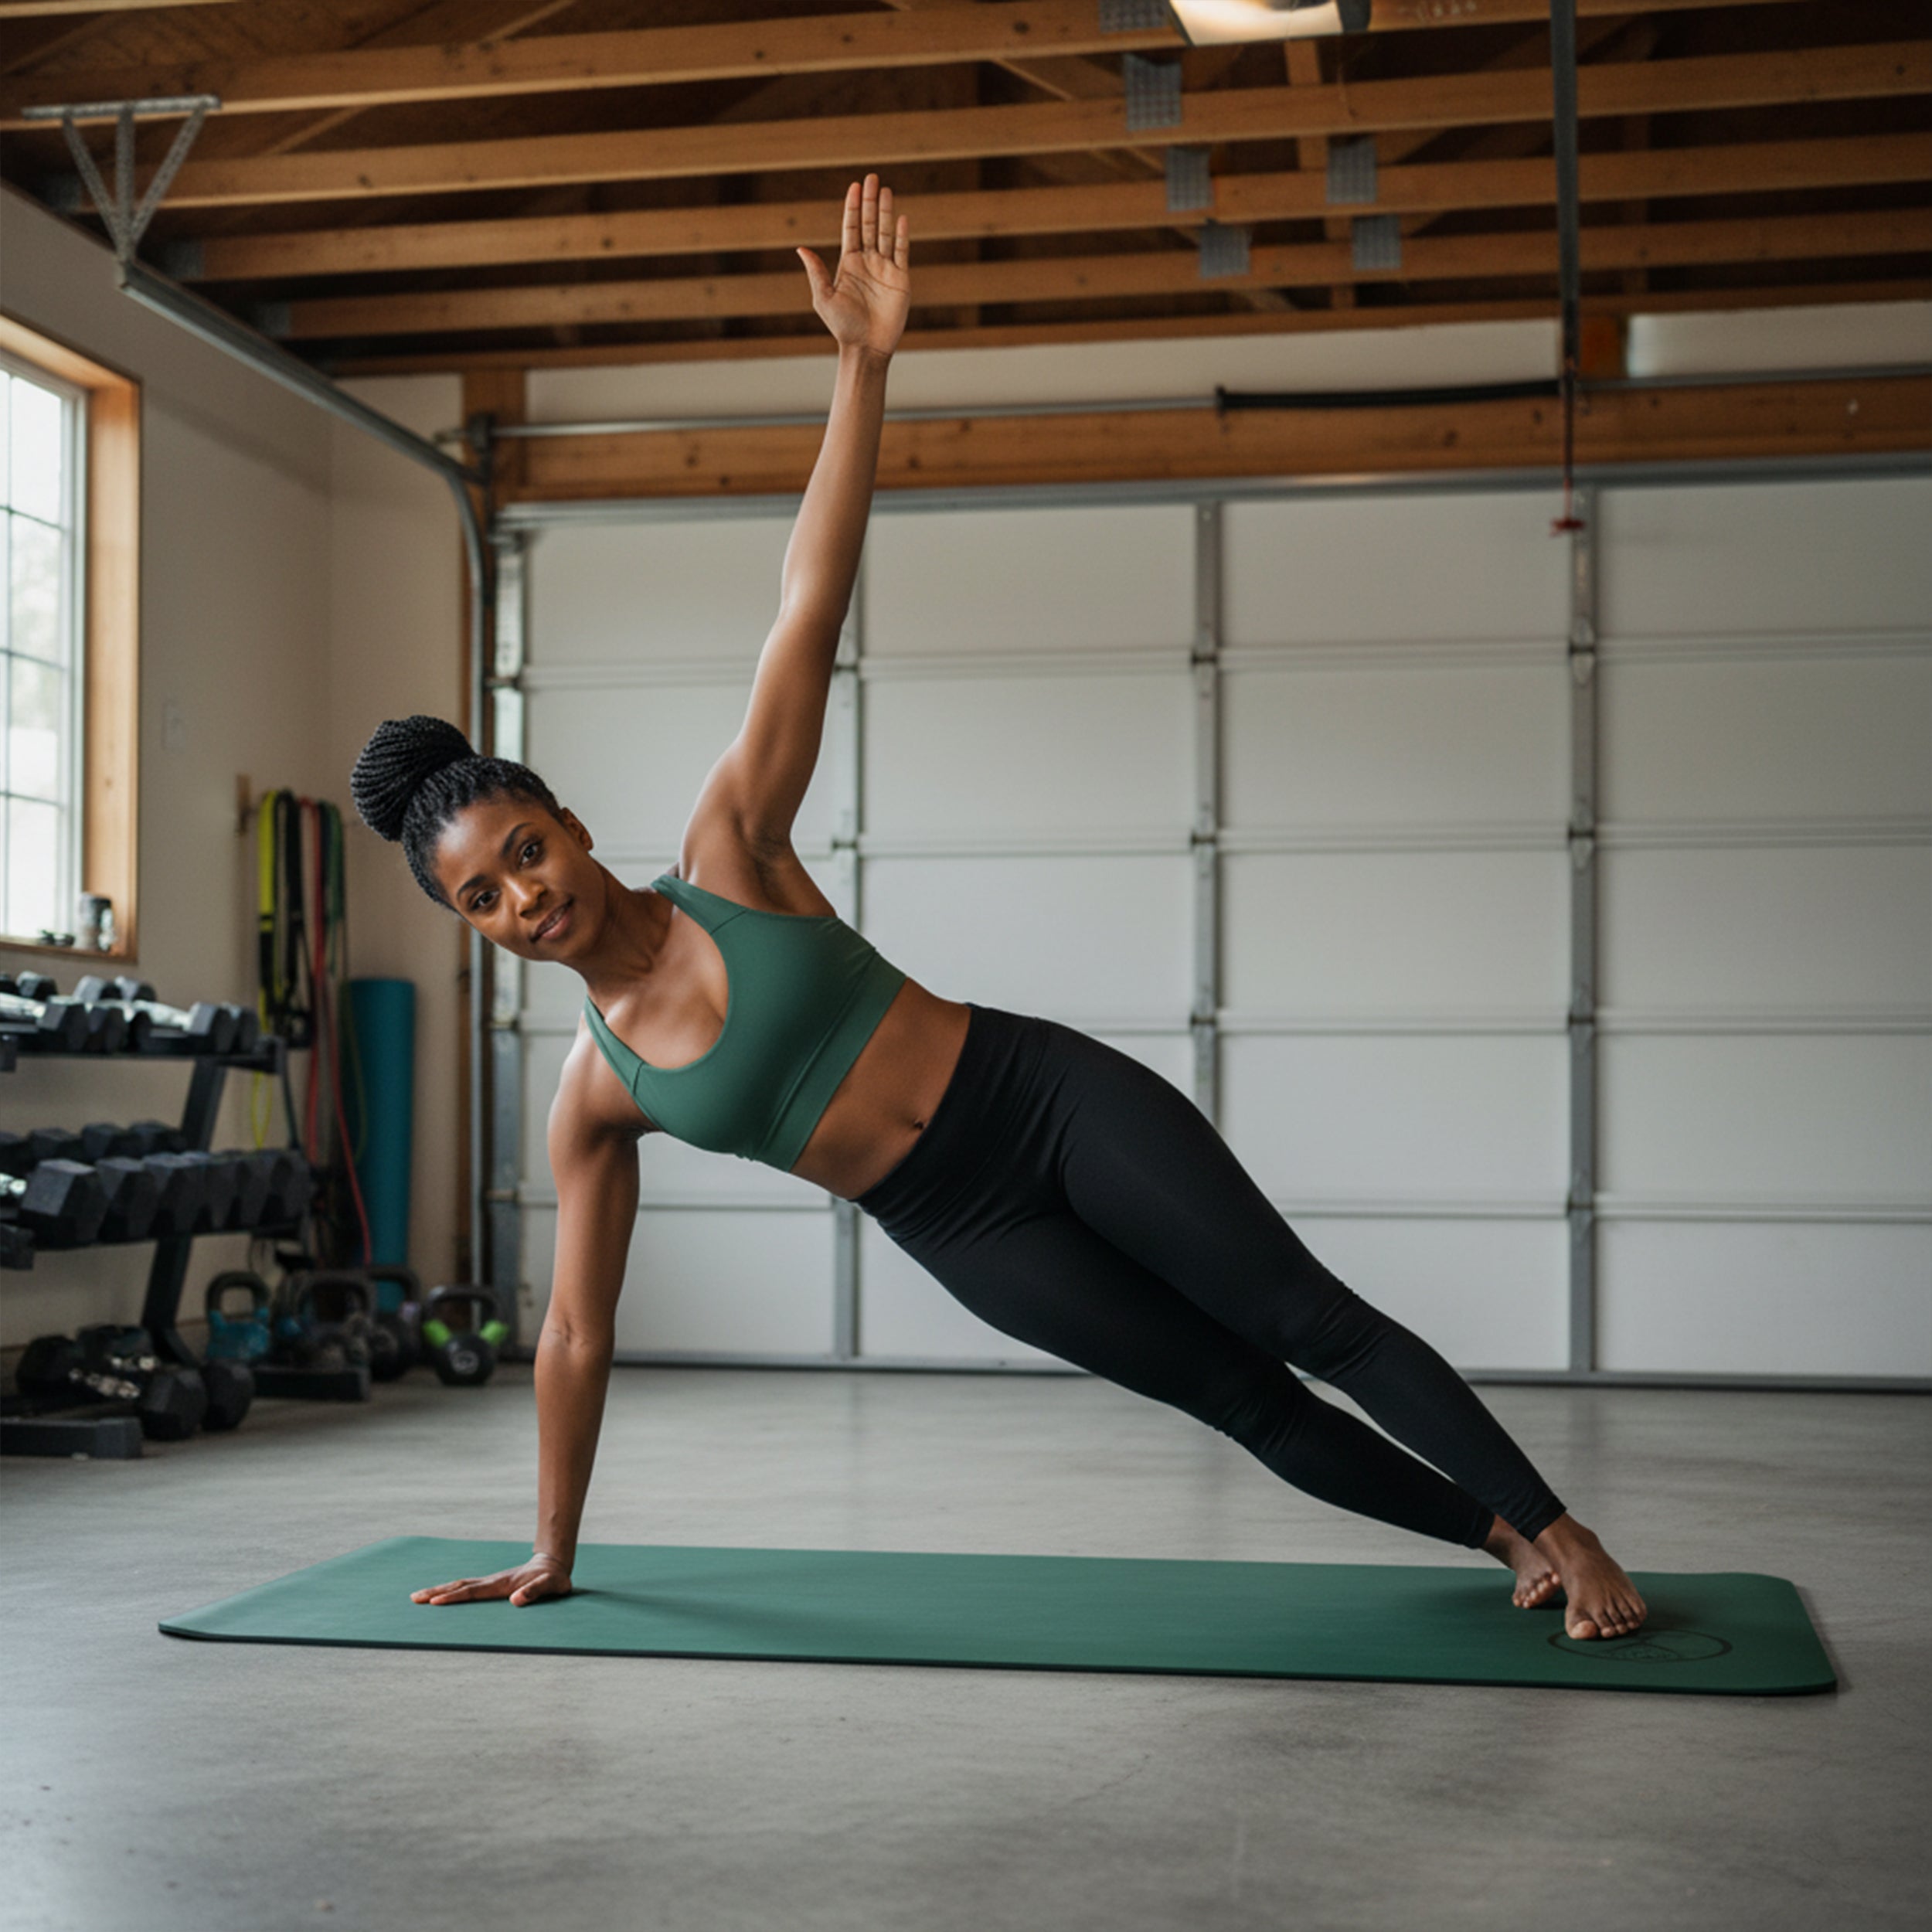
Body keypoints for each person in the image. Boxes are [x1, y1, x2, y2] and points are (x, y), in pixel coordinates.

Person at [352, 175, 1647, 1645]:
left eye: (525, 852)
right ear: (473, 928)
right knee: (1237, 1400)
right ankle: (1500, 1543)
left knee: (1299, 1317)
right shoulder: (598, 1094)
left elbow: (806, 605)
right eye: (484, 898)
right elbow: (577, 1330)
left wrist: (862, 364)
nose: (524, 897)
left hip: (1037, 1099)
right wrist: (551, 1548)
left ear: (572, 828)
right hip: (955, 1223)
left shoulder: (732, 848)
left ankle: (1564, 1526)